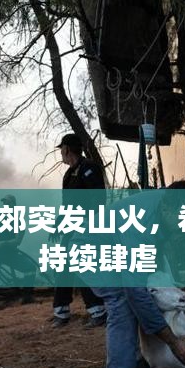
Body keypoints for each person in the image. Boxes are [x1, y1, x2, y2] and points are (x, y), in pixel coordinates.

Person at [75, 181, 185, 368]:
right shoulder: (140, 227)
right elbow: (135, 292)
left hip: (115, 245)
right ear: (167, 209)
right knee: (123, 303)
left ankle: (138, 367)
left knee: (145, 297)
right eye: (182, 221)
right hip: (90, 250)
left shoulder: (172, 200)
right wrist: (173, 342)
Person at [51, 133, 107, 328]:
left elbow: (98, 200)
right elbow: (67, 205)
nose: (61, 153)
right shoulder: (68, 175)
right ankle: (61, 311)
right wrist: (58, 224)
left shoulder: (89, 168)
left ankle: (98, 311)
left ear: (67, 149)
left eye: (61, 149)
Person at [0, 194, 36, 311]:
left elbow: (17, 241)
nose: (5, 205)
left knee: (30, 268)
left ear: (14, 205)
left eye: (8, 203)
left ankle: (27, 297)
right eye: (4, 203)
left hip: (10, 253)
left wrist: (5, 243)